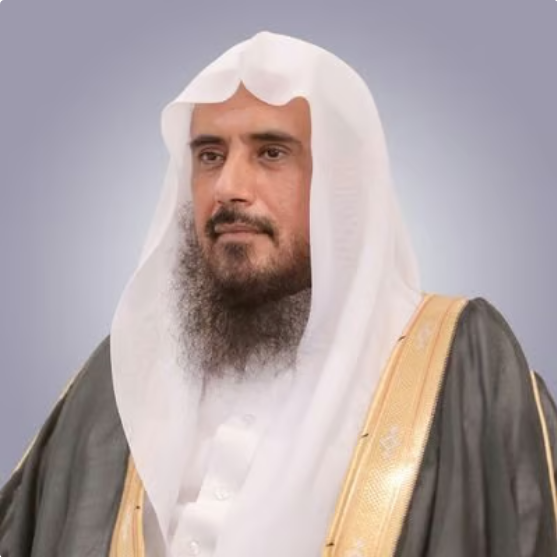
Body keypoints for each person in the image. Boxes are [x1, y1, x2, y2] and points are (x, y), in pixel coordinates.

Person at [1, 31, 556, 557]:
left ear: (343, 180)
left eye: (271, 153)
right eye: (210, 155)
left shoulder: (455, 364)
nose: (229, 188)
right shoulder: (123, 372)